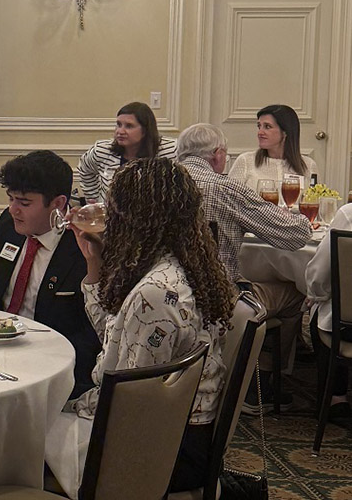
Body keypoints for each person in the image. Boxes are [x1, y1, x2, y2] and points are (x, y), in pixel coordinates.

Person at [46, 158, 234, 497]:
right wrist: (93, 264)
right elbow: (117, 336)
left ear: (134, 220)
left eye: (114, 210)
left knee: (23, 434)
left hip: (160, 451)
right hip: (180, 432)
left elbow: (124, 399)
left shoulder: (157, 292)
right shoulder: (182, 264)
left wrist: (68, 404)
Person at [0, 151, 99, 399]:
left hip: (49, 366)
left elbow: (93, 331)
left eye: (24, 203)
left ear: (58, 203)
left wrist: (46, 362)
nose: (13, 210)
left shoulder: (82, 248)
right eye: (10, 199)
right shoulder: (9, 225)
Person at [176, 123, 311, 414]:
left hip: (165, 295)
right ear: (217, 154)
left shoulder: (157, 186)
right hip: (218, 299)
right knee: (293, 292)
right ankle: (256, 382)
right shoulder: (224, 188)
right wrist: (299, 216)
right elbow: (295, 235)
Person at [305, 202, 352, 420]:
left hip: (347, 330)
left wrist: (315, 294)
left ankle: (335, 396)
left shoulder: (349, 215)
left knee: (322, 307)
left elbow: (319, 275)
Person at [77, 101, 177, 203]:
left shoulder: (170, 151)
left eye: (129, 126)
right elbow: (85, 170)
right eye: (119, 125)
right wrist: (95, 200)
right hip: (112, 215)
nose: (120, 131)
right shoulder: (102, 150)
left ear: (145, 130)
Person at [227, 104, 317, 195]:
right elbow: (228, 201)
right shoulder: (246, 161)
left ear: (285, 132)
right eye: (259, 126)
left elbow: (315, 201)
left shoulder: (309, 165)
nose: (260, 132)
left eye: (267, 127)